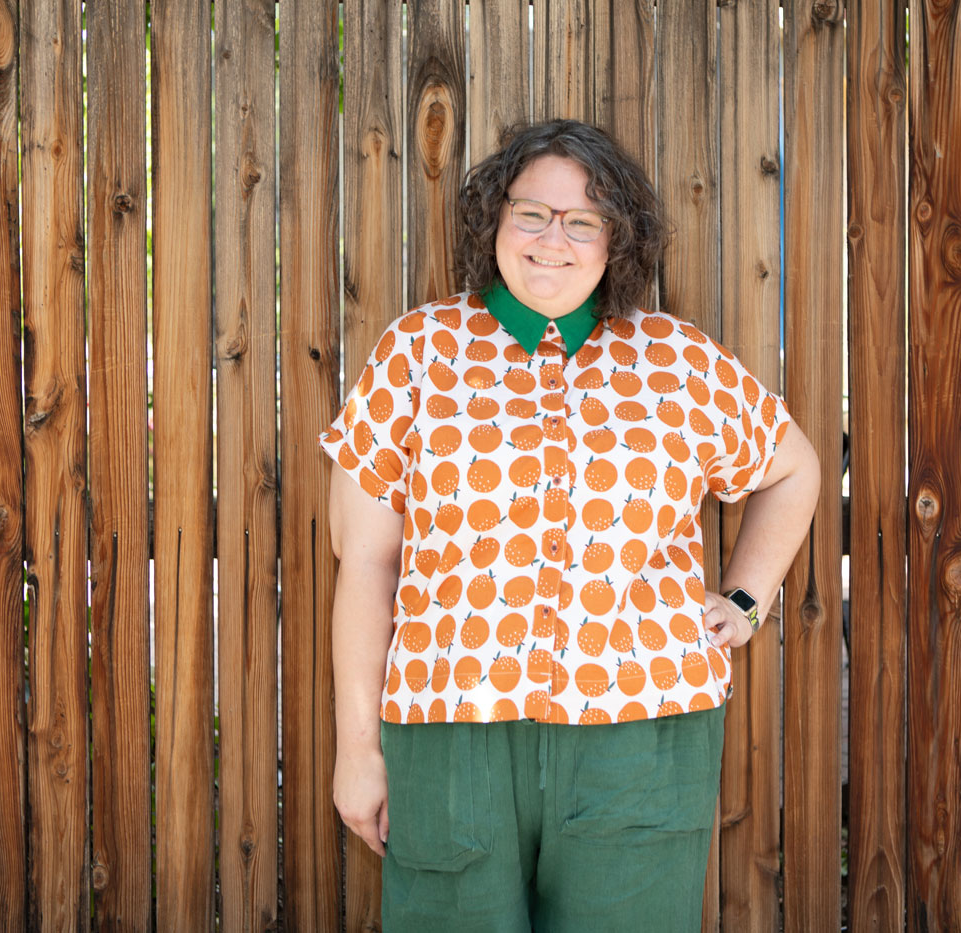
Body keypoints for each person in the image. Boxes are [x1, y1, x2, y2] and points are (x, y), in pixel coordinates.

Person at [321, 119, 819, 932]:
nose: (554, 239)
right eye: (532, 213)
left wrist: (746, 597)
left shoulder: (678, 362)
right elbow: (366, 564)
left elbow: (793, 468)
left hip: (641, 741)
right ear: (494, 223)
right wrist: (357, 752)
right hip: (453, 738)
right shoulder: (414, 355)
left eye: (583, 220)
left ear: (616, 239)